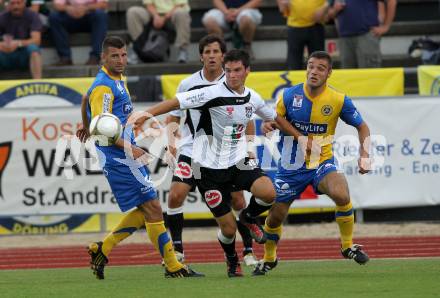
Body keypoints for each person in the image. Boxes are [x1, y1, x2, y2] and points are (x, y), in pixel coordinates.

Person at [130, 49, 305, 277]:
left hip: (238, 162)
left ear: (247, 71)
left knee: (269, 193)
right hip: (208, 169)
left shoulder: (253, 96)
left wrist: (300, 138)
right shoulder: (210, 93)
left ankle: (249, 217)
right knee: (228, 229)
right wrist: (144, 115)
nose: (232, 75)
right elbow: (175, 103)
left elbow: (274, 117)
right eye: (229, 70)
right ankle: (232, 261)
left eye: (237, 70)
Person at [79, 35, 203, 279]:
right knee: (153, 207)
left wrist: (86, 124)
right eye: (115, 55)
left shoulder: (114, 79)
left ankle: (102, 248)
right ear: (103, 57)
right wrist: (130, 148)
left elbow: (85, 99)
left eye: (124, 54)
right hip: (118, 155)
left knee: (149, 207)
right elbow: (100, 127)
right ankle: (173, 265)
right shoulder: (105, 86)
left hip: (124, 151)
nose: (121, 59)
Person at [253, 51, 371, 276]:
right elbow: (272, 120)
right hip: (290, 168)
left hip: (322, 162)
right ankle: (269, 258)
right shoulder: (289, 95)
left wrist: (365, 154)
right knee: (276, 216)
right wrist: (268, 126)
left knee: (341, 194)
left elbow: (362, 126)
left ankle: (347, 246)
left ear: (329, 73)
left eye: (320, 68)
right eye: (310, 66)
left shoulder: (338, 100)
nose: (314, 72)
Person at [164, 34, 257, 266]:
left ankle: (247, 250)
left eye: (216, 51)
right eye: (207, 52)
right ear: (201, 56)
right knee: (175, 194)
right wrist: (171, 145)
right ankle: (177, 251)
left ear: (223, 56)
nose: (212, 56)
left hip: (229, 151)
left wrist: (250, 149)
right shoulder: (188, 84)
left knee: (237, 201)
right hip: (193, 150)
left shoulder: (234, 81)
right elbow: (173, 117)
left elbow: (249, 119)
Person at [315, 0, 397, 68]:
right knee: (349, 78)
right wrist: (335, 10)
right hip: (345, 39)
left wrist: (386, 26)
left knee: (369, 77)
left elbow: (391, 1)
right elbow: (328, 15)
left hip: (366, 36)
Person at [126, 0, 191, 63]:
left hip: (173, 15)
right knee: (132, 12)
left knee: (181, 13)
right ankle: (138, 50)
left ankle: (183, 50)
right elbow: (149, 4)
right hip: (154, 15)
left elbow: (180, 5)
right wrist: (156, 16)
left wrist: (164, 18)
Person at [49, 0, 108, 66]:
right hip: (70, 17)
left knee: (100, 15)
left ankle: (96, 57)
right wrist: (68, 8)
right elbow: (57, 5)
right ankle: (65, 57)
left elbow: (103, 5)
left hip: (90, 17)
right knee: (54, 17)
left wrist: (85, 8)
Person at [277, 0, 326, 70]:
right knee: (294, 64)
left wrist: (325, 8)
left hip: (316, 24)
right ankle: (295, 80)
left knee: (318, 63)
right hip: (295, 25)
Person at [0, 0, 42, 79]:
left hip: (24, 55)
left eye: (18, 3)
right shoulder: (2, 17)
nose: (16, 6)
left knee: (34, 49)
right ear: (8, 4)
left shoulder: (33, 15)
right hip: (5, 54)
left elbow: (37, 40)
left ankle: (37, 83)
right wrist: (2, 45)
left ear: (24, 3)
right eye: (12, 3)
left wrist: (18, 43)